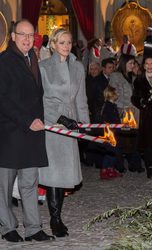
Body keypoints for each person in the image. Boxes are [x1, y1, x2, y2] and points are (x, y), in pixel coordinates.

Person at [0, 19, 54, 242]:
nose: (27, 39)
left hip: (32, 133)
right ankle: (7, 227)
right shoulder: (4, 61)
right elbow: (3, 100)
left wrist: (42, 120)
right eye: (22, 34)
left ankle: (33, 228)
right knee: (3, 186)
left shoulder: (33, 58)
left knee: (29, 183)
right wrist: (26, 121)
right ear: (13, 37)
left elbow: (36, 96)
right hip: (9, 133)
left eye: (31, 35)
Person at [38, 28, 90, 237]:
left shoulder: (77, 67)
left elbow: (81, 99)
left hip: (71, 127)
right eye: (62, 42)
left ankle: (57, 215)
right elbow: (41, 100)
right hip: (53, 125)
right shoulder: (43, 67)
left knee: (64, 174)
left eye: (69, 42)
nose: (66, 46)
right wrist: (60, 119)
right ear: (53, 44)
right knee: (54, 173)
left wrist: (84, 123)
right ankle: (55, 218)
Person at [109, 54, 144, 173]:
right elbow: (113, 94)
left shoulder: (133, 77)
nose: (133, 65)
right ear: (124, 63)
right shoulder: (115, 76)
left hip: (134, 111)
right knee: (121, 139)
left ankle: (135, 163)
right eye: (130, 63)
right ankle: (119, 164)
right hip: (123, 111)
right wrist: (123, 108)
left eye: (134, 63)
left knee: (135, 138)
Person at [99, 86, 123, 179]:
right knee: (110, 152)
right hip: (110, 133)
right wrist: (117, 123)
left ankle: (110, 169)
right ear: (111, 94)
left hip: (114, 132)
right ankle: (105, 169)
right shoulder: (108, 106)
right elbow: (108, 119)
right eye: (116, 93)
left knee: (112, 152)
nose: (118, 94)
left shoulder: (112, 105)